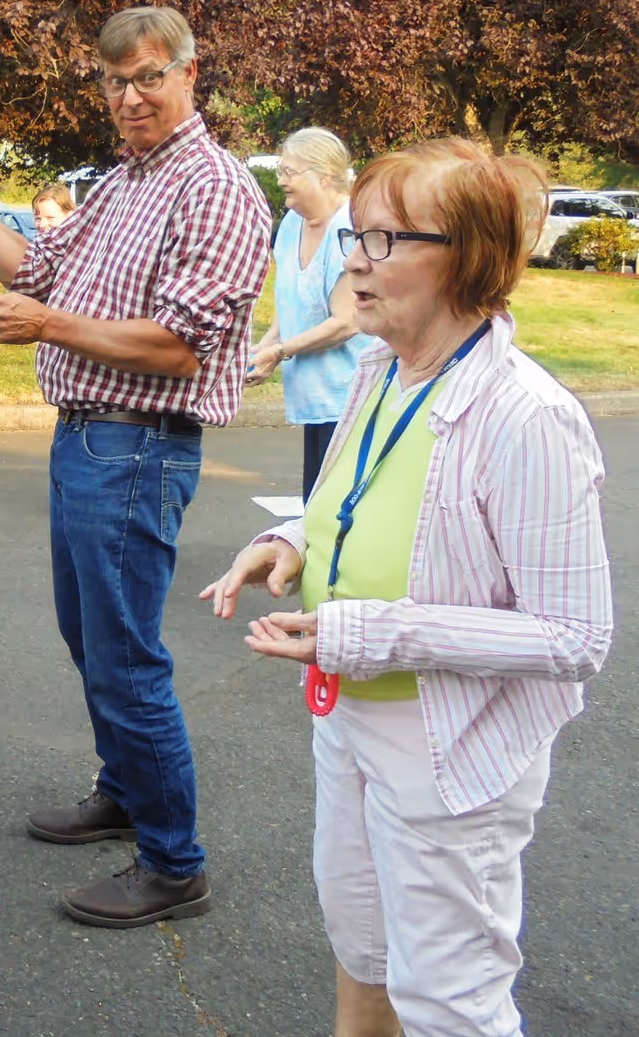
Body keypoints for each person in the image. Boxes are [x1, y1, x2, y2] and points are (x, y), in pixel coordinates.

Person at [201, 137, 611, 1037]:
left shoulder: (528, 416)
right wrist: (287, 541)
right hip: (349, 716)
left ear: (464, 260)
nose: (353, 259)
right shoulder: (383, 370)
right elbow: (344, 498)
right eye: (356, 235)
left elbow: (576, 638)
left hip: (449, 746)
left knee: (450, 1001)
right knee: (364, 950)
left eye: (384, 240)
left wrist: (363, 633)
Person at [0, 6, 270, 927]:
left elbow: (182, 346)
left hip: (139, 444)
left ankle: (174, 862)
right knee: (90, 641)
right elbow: (32, 270)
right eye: (114, 82)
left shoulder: (215, 186)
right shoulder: (123, 182)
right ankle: (124, 791)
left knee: (126, 657)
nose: (131, 96)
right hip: (88, 439)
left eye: (148, 76)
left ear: (190, 74)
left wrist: (49, 326)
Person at [245, 127, 374, 494]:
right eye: (280, 171)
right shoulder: (290, 224)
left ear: (324, 176)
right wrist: (263, 348)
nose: (281, 180)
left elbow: (345, 323)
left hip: (351, 397)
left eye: (289, 172)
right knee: (313, 508)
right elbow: (295, 304)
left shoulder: (349, 228)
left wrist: (279, 352)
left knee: (334, 512)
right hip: (314, 398)